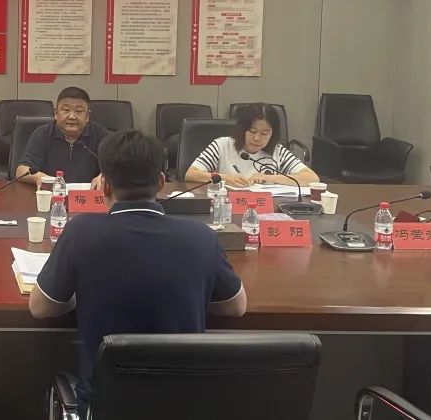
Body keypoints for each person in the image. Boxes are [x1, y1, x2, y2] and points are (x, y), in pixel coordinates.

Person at [28, 131, 246, 417]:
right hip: (183, 406)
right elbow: (236, 306)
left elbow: (41, 308)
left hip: (106, 408)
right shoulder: (201, 237)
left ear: (104, 185)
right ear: (161, 182)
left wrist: (83, 290)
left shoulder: (81, 232)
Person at [184, 103, 319, 188]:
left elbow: (312, 178)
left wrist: (269, 178)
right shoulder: (222, 145)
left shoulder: (278, 151)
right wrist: (226, 178)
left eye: (265, 133)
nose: (257, 138)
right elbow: (191, 174)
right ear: (242, 129)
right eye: (252, 132)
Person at [16, 87, 109, 188]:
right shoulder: (43, 134)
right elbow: (21, 171)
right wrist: (39, 177)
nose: (72, 117)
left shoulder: (100, 134)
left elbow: (117, 168)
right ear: (56, 113)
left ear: (88, 116)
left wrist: (104, 176)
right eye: (66, 110)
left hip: (88, 195)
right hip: (51, 194)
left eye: (79, 111)